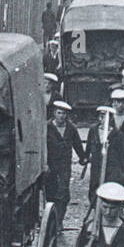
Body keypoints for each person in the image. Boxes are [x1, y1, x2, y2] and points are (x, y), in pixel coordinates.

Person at [44, 99, 87, 232]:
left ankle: (59, 221)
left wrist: (82, 157)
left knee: (63, 193)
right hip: (50, 166)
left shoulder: (71, 128)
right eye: (59, 113)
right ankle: (51, 218)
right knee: (50, 192)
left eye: (64, 114)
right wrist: (44, 164)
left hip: (64, 166)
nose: (62, 116)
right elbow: (42, 146)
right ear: (54, 113)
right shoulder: (47, 128)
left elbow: (77, 144)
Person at [84, 102, 124, 206]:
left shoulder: (117, 135)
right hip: (96, 166)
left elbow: (123, 155)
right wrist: (85, 158)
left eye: (106, 116)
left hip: (112, 168)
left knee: (109, 191)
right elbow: (89, 147)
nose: (103, 119)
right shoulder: (93, 130)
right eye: (102, 116)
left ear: (111, 118)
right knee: (94, 189)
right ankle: (95, 213)